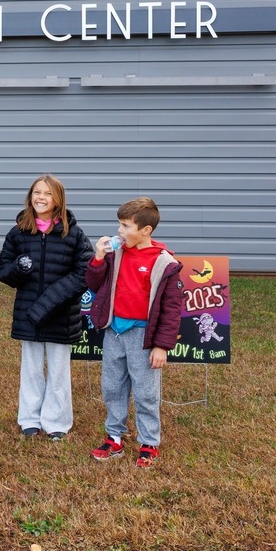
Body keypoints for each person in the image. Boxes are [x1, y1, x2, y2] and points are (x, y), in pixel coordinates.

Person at [85, 197, 183, 468]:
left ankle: (149, 442)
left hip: (142, 337)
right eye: (119, 224)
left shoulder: (165, 263)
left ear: (145, 231)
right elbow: (93, 283)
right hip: (114, 332)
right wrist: (98, 258)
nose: (119, 231)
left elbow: (171, 309)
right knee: (112, 386)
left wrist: (162, 346)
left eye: (126, 225)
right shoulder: (116, 254)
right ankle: (114, 437)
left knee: (145, 391)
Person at [0, 174, 93, 441]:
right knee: (31, 368)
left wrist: (49, 302)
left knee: (59, 370)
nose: (41, 197)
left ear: (58, 199)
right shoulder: (19, 232)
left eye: (47, 193)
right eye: (36, 192)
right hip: (29, 315)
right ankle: (29, 419)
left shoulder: (73, 234)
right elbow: (3, 271)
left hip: (61, 315)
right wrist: (18, 268)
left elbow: (84, 274)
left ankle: (57, 422)